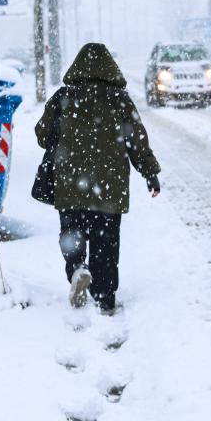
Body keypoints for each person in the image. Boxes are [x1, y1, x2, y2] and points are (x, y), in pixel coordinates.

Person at [35, 42, 161, 315]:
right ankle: (104, 297)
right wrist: (150, 173)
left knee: (72, 234)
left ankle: (78, 268)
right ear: (109, 68)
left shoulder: (64, 97)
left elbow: (42, 135)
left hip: (70, 185)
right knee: (106, 243)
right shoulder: (120, 99)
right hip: (109, 186)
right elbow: (137, 141)